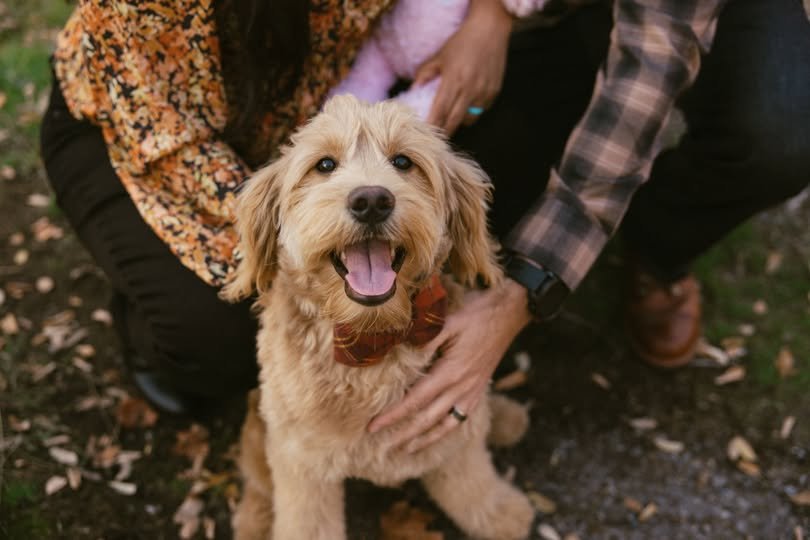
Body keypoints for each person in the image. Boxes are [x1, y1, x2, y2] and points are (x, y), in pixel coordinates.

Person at [41, 0, 809, 459]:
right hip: (145, 136)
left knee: (773, 128)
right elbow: (171, 141)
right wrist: (296, 237)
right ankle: (154, 325)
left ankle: (648, 250)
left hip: (314, 107)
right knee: (218, 337)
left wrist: (490, 10)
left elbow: (651, 58)